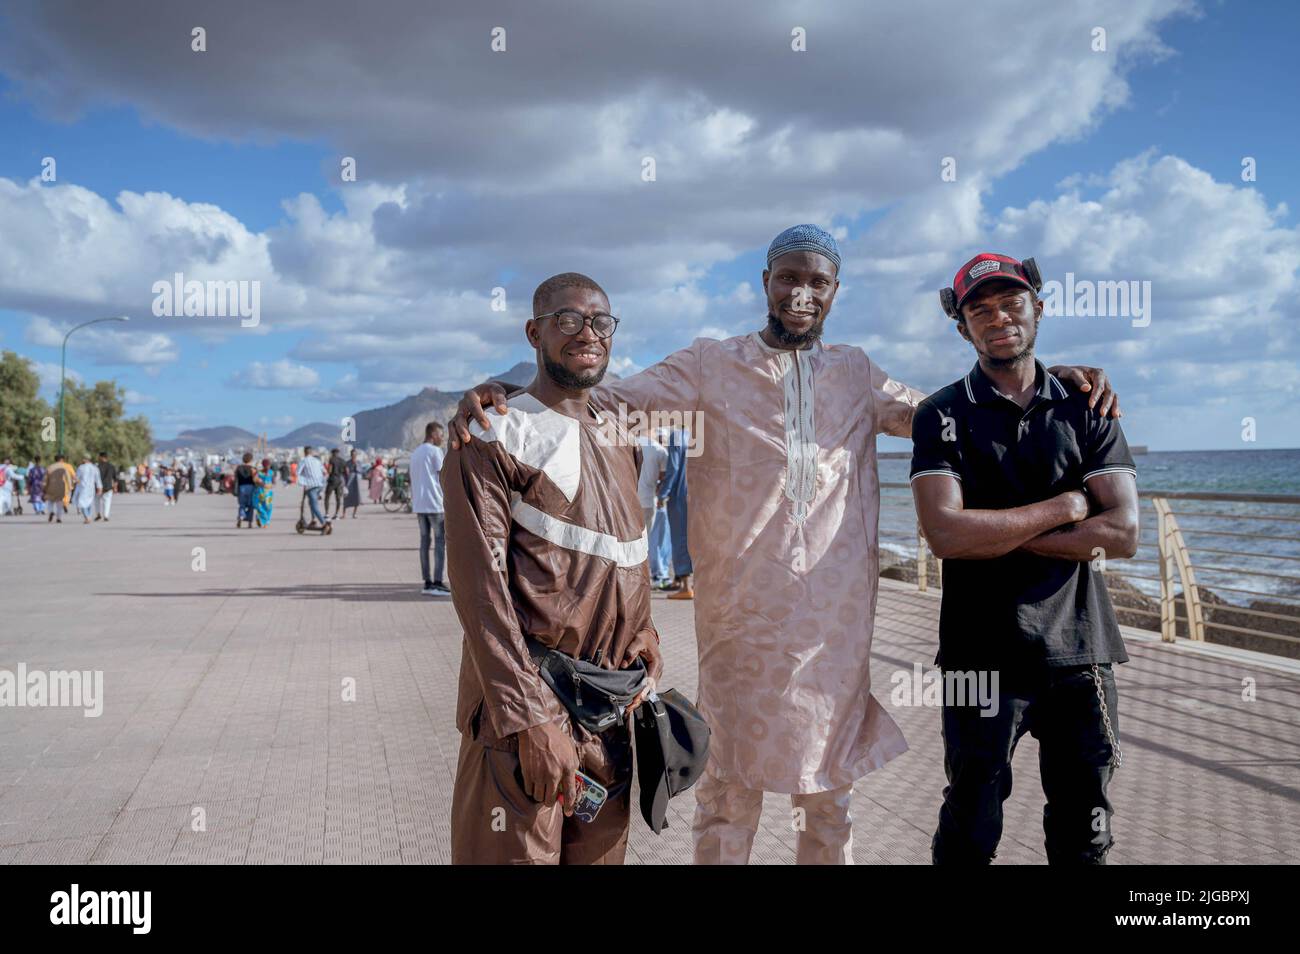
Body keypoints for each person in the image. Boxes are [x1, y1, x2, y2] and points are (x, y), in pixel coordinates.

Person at [452, 225, 1121, 865]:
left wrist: (1036, 376)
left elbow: (951, 416)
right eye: (789, 278)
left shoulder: (857, 374)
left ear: (835, 292)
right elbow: (600, 400)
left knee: (828, 802)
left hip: (832, 637)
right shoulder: (712, 366)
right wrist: (504, 392)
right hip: (738, 630)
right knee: (725, 796)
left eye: (819, 281)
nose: (803, 292)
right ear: (765, 282)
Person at [910, 253, 1138, 865]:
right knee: (970, 818)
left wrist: (996, 532)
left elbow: (1122, 532)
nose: (998, 318)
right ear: (962, 328)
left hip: (1080, 651)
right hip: (976, 654)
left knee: (1084, 825)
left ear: (1039, 307)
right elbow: (945, 536)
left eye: (1012, 303)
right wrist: (1065, 506)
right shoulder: (940, 414)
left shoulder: (1087, 404)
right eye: (979, 310)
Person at [444, 272, 664, 865]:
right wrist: (528, 718)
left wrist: (644, 632)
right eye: (567, 319)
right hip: (526, 717)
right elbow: (479, 591)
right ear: (534, 331)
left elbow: (625, 554)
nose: (586, 332)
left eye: (600, 321)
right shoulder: (492, 432)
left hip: (608, 713)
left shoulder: (623, 435)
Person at [411, 423, 449, 596]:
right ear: (433, 434)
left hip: (419, 504)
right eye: (441, 434)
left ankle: (427, 583)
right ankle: (438, 582)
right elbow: (443, 476)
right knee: (440, 543)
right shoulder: (435, 452)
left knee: (424, 544)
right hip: (435, 504)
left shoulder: (416, 453)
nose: (443, 438)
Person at [297, 446, 331, 527]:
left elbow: (297, 472)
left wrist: (302, 480)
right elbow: (325, 472)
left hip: (311, 486)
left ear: (304, 453)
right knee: (311, 503)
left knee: (314, 506)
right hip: (320, 485)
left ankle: (324, 523)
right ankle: (313, 520)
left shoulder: (304, 461)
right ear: (311, 452)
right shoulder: (317, 461)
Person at [73, 455, 102, 523]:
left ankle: (87, 517)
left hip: (83, 488)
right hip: (91, 488)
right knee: (89, 503)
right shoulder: (95, 468)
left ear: (86, 459)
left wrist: (74, 482)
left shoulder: (81, 467)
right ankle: (88, 516)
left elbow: (76, 478)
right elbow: (98, 479)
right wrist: (99, 488)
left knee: (82, 503)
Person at [234, 452, 257, 527]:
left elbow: (236, 478)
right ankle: (250, 522)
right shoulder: (253, 469)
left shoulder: (238, 468)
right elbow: (255, 479)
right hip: (251, 488)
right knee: (251, 505)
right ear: (251, 460)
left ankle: (241, 516)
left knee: (242, 504)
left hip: (241, 488)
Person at [95, 452, 118, 522]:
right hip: (108, 487)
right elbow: (115, 478)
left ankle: (98, 514)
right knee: (107, 502)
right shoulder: (111, 466)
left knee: (97, 501)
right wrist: (115, 487)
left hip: (98, 487)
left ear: (101, 457)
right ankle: (106, 516)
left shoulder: (97, 467)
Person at [325, 448, 347, 518]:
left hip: (332, 480)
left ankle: (327, 514)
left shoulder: (332, 460)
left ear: (333, 453)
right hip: (339, 480)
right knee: (338, 498)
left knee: (327, 496)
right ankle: (336, 514)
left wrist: (328, 471)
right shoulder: (342, 461)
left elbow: (330, 470)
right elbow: (346, 471)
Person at [254, 458, 276, 527]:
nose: (268, 467)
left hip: (267, 492)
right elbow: (255, 480)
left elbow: (274, 481)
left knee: (267, 507)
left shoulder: (270, 472)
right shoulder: (260, 473)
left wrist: (271, 485)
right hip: (262, 492)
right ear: (263, 465)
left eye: (268, 465)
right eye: (266, 465)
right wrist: (261, 483)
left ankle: (264, 520)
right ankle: (263, 520)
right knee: (262, 507)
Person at [343, 449, 363, 518]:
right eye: (352, 455)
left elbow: (360, 471)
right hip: (349, 481)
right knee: (346, 496)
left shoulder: (359, 462)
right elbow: (345, 472)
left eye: (355, 454)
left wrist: (356, 465)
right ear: (350, 455)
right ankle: (344, 514)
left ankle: (354, 514)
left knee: (356, 497)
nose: (353, 456)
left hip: (356, 481)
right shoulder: (347, 463)